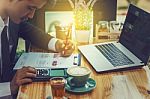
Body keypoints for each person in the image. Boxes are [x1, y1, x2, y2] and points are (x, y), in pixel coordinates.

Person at [0, 0, 75, 98]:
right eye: (30, 8)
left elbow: (29, 30)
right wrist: (10, 87)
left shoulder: (12, 18)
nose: (31, 16)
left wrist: (56, 43)